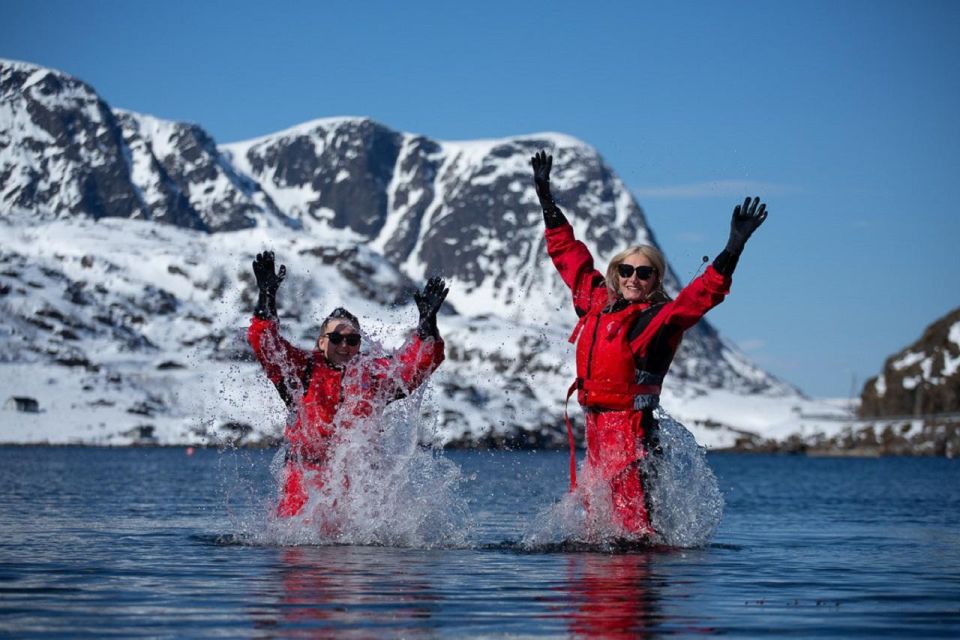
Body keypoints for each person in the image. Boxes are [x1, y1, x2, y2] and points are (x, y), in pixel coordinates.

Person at [531, 150, 767, 539]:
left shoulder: (657, 321)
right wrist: (546, 199)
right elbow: (568, 255)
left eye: (644, 273)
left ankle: (638, 594)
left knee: (633, 530)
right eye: (626, 270)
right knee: (597, 530)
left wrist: (733, 249)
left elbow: (700, 297)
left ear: (656, 280)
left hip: (633, 435)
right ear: (615, 273)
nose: (634, 278)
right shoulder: (594, 302)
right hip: (596, 430)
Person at [247, 250, 448, 518]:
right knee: (302, 551)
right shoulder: (300, 369)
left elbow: (416, 367)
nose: (344, 345)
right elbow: (265, 345)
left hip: (357, 489)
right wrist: (266, 298)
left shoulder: (372, 375)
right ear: (321, 342)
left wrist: (426, 326)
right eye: (336, 337)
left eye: (352, 340)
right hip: (304, 486)